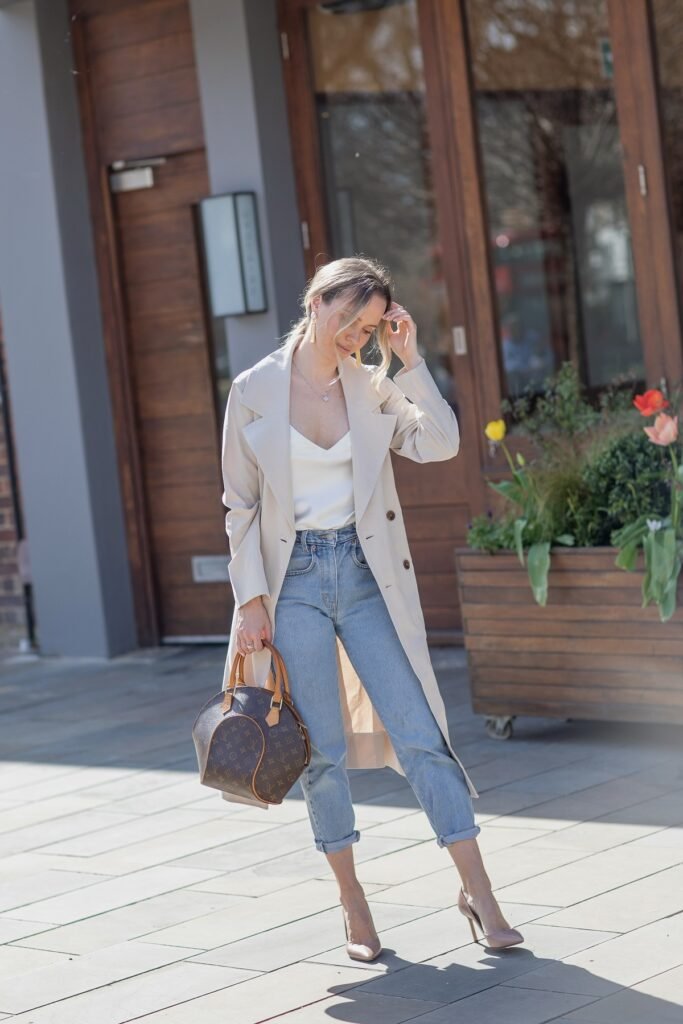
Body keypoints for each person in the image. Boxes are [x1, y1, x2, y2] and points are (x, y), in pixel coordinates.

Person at [221, 256, 523, 961]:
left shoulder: (371, 386)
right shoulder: (254, 389)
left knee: (421, 731)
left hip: (363, 576)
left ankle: (478, 894)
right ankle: (353, 905)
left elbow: (440, 443)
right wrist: (250, 600)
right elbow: (239, 503)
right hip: (290, 581)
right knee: (319, 750)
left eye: (370, 327)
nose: (357, 338)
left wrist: (410, 363)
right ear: (318, 301)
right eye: (350, 322)